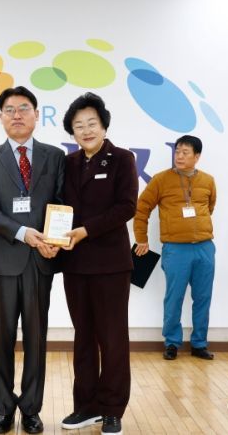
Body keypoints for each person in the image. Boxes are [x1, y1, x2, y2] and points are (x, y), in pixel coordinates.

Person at [0, 86, 66, 433]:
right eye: (10, 110)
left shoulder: (55, 156)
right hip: (2, 259)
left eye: (24, 108)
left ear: (36, 115)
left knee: (36, 337)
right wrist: (22, 233)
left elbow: (61, 202)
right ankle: (3, 409)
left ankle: (30, 409)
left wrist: (53, 240)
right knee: (1, 338)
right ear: (1, 117)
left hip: (41, 259)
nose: (17, 115)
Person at [59, 93, 138, 435]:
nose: (86, 130)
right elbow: (59, 206)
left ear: (104, 126)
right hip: (75, 263)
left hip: (110, 264)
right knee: (83, 337)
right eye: (78, 126)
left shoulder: (122, 159)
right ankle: (86, 405)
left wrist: (86, 230)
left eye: (92, 123)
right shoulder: (69, 163)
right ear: (72, 132)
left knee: (112, 337)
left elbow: (126, 207)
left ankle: (112, 409)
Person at [133, 135, 217, 361]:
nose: (179, 156)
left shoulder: (208, 181)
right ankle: (171, 342)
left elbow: (209, 207)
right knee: (174, 297)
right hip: (176, 249)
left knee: (203, 297)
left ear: (197, 156)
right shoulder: (161, 180)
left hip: (204, 248)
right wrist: (141, 239)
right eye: (177, 151)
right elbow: (142, 209)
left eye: (185, 152)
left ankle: (199, 343)